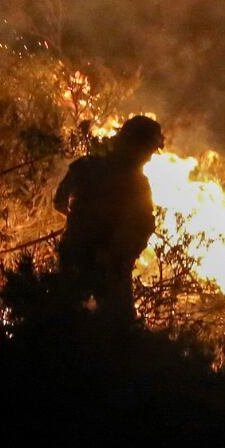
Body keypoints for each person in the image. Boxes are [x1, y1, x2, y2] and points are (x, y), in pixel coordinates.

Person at [53, 114, 163, 323]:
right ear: (137, 146)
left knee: (65, 320)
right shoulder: (137, 184)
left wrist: (77, 223)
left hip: (75, 258)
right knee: (117, 331)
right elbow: (143, 226)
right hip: (110, 269)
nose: (149, 157)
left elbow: (59, 201)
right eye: (148, 150)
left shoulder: (85, 166)